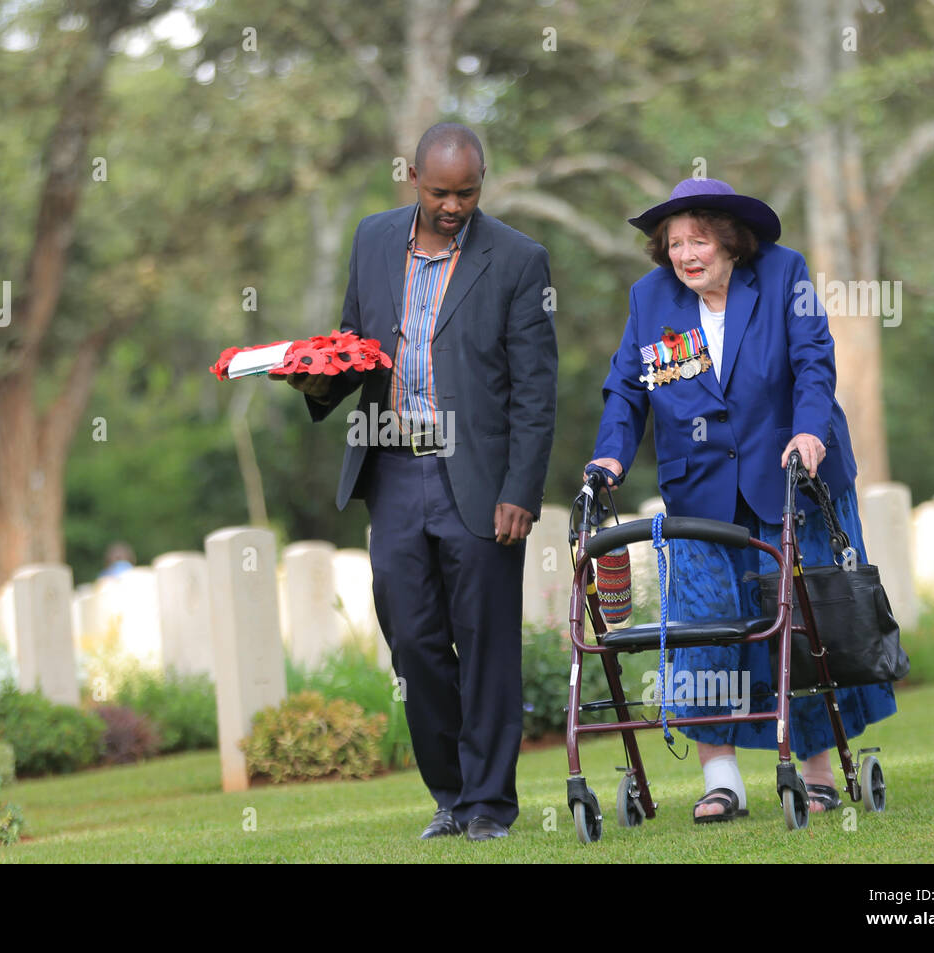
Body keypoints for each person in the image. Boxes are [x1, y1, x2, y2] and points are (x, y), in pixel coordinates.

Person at [587, 177, 896, 822]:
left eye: (698, 240)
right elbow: (626, 388)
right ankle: (721, 779)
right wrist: (610, 454)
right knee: (703, 626)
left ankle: (814, 768)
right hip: (698, 484)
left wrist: (810, 430)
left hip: (791, 475)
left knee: (805, 624)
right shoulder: (650, 299)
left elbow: (814, 359)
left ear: (731, 243)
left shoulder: (785, 274)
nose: (684, 254)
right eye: (674, 243)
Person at [285, 123, 557, 840]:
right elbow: (352, 344)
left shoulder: (520, 260)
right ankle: (450, 793)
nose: (455, 205)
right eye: (440, 192)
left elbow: (535, 390)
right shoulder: (373, 240)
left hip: (480, 476)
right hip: (394, 467)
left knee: (488, 639)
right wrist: (312, 382)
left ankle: (491, 805)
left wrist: (520, 491)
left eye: (468, 192)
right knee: (413, 637)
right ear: (412, 177)